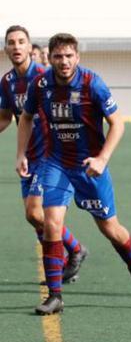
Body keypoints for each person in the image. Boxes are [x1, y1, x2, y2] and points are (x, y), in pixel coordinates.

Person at [15, 33, 131, 315]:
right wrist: (21, 154)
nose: (64, 62)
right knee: (50, 222)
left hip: (89, 165)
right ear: (49, 58)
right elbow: (26, 118)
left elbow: (118, 124)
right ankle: (55, 296)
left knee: (110, 229)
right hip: (55, 163)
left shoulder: (93, 83)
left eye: (69, 56)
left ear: (77, 57)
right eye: (58, 57)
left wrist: (102, 158)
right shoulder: (40, 84)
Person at [1, 26, 89, 284]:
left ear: (30, 47)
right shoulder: (7, 82)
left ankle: (74, 250)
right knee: (32, 216)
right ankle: (66, 261)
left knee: (37, 211)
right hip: (28, 154)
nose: (16, 47)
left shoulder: (44, 76)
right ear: (6, 48)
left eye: (21, 42)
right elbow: (6, 117)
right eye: (11, 43)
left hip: (51, 155)